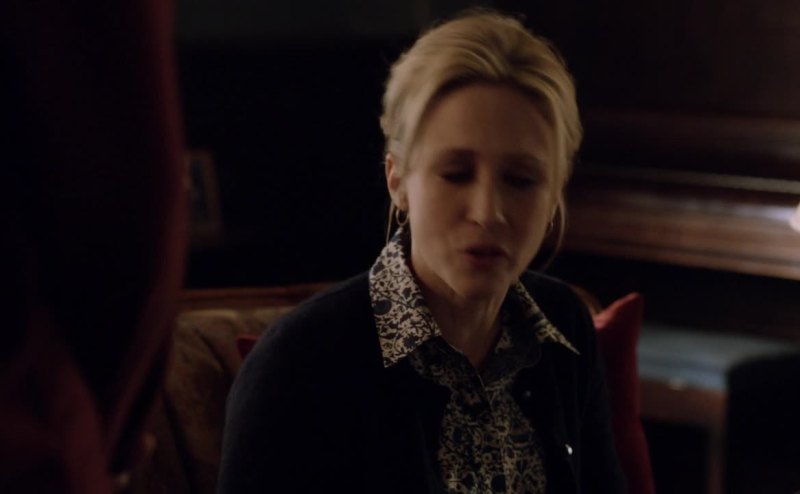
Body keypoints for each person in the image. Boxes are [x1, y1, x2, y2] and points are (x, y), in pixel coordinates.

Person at [219, 10, 625, 494]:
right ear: (397, 180)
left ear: (555, 192)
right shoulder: (301, 363)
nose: (488, 212)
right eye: (455, 174)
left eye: (521, 180)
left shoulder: (565, 326)